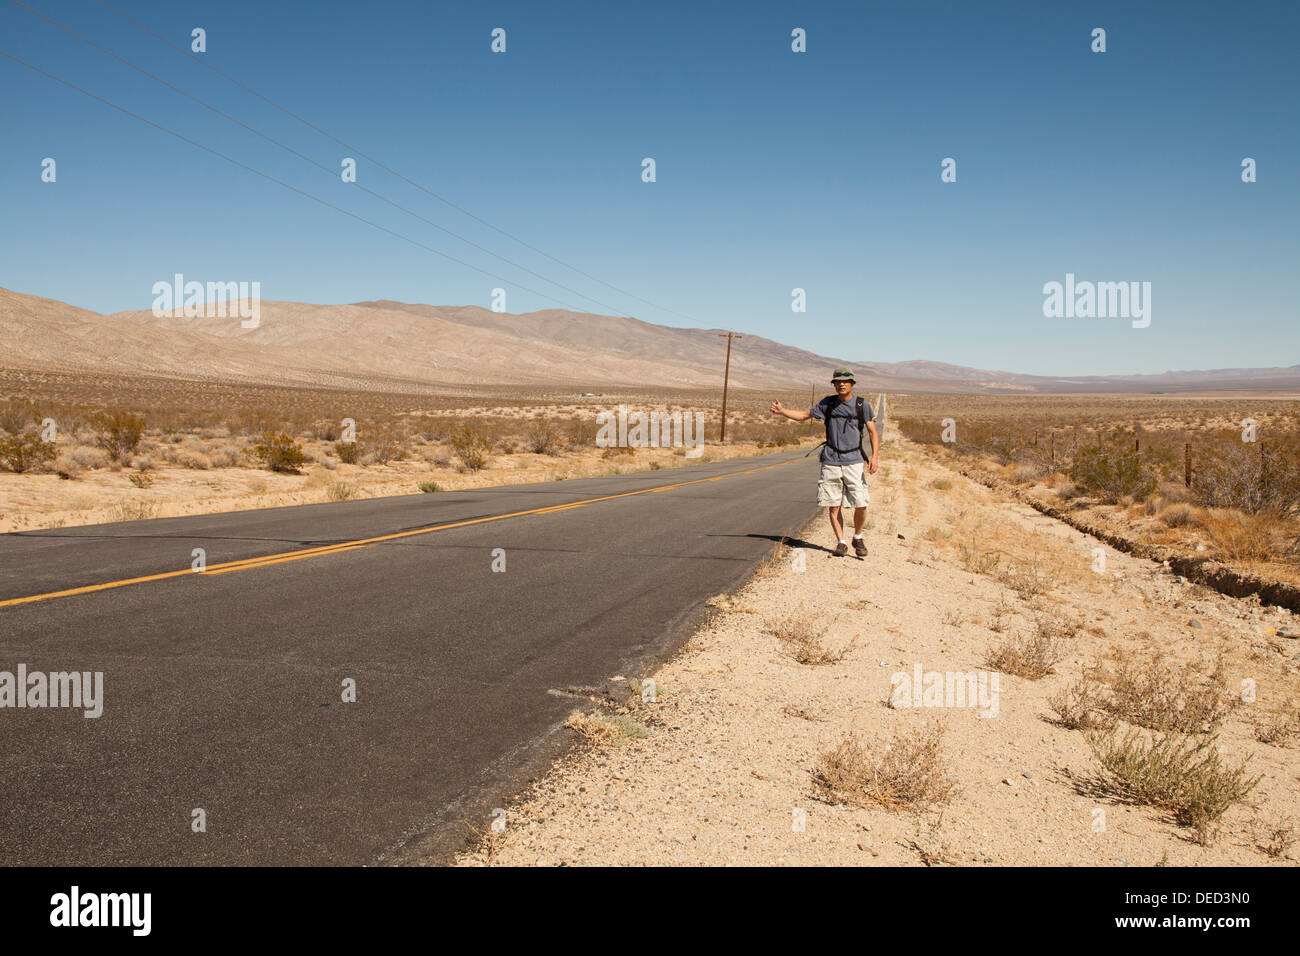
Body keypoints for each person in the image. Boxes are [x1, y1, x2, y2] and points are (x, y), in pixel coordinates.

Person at [770, 367, 879, 557]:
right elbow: (804, 415)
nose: (841, 384)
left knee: (861, 502)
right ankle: (841, 542)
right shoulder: (827, 404)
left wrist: (875, 456)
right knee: (833, 503)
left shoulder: (862, 405)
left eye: (845, 381)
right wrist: (782, 411)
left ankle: (858, 537)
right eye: (838, 381)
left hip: (853, 460)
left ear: (852, 384)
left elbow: (872, 432)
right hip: (831, 460)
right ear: (834, 384)